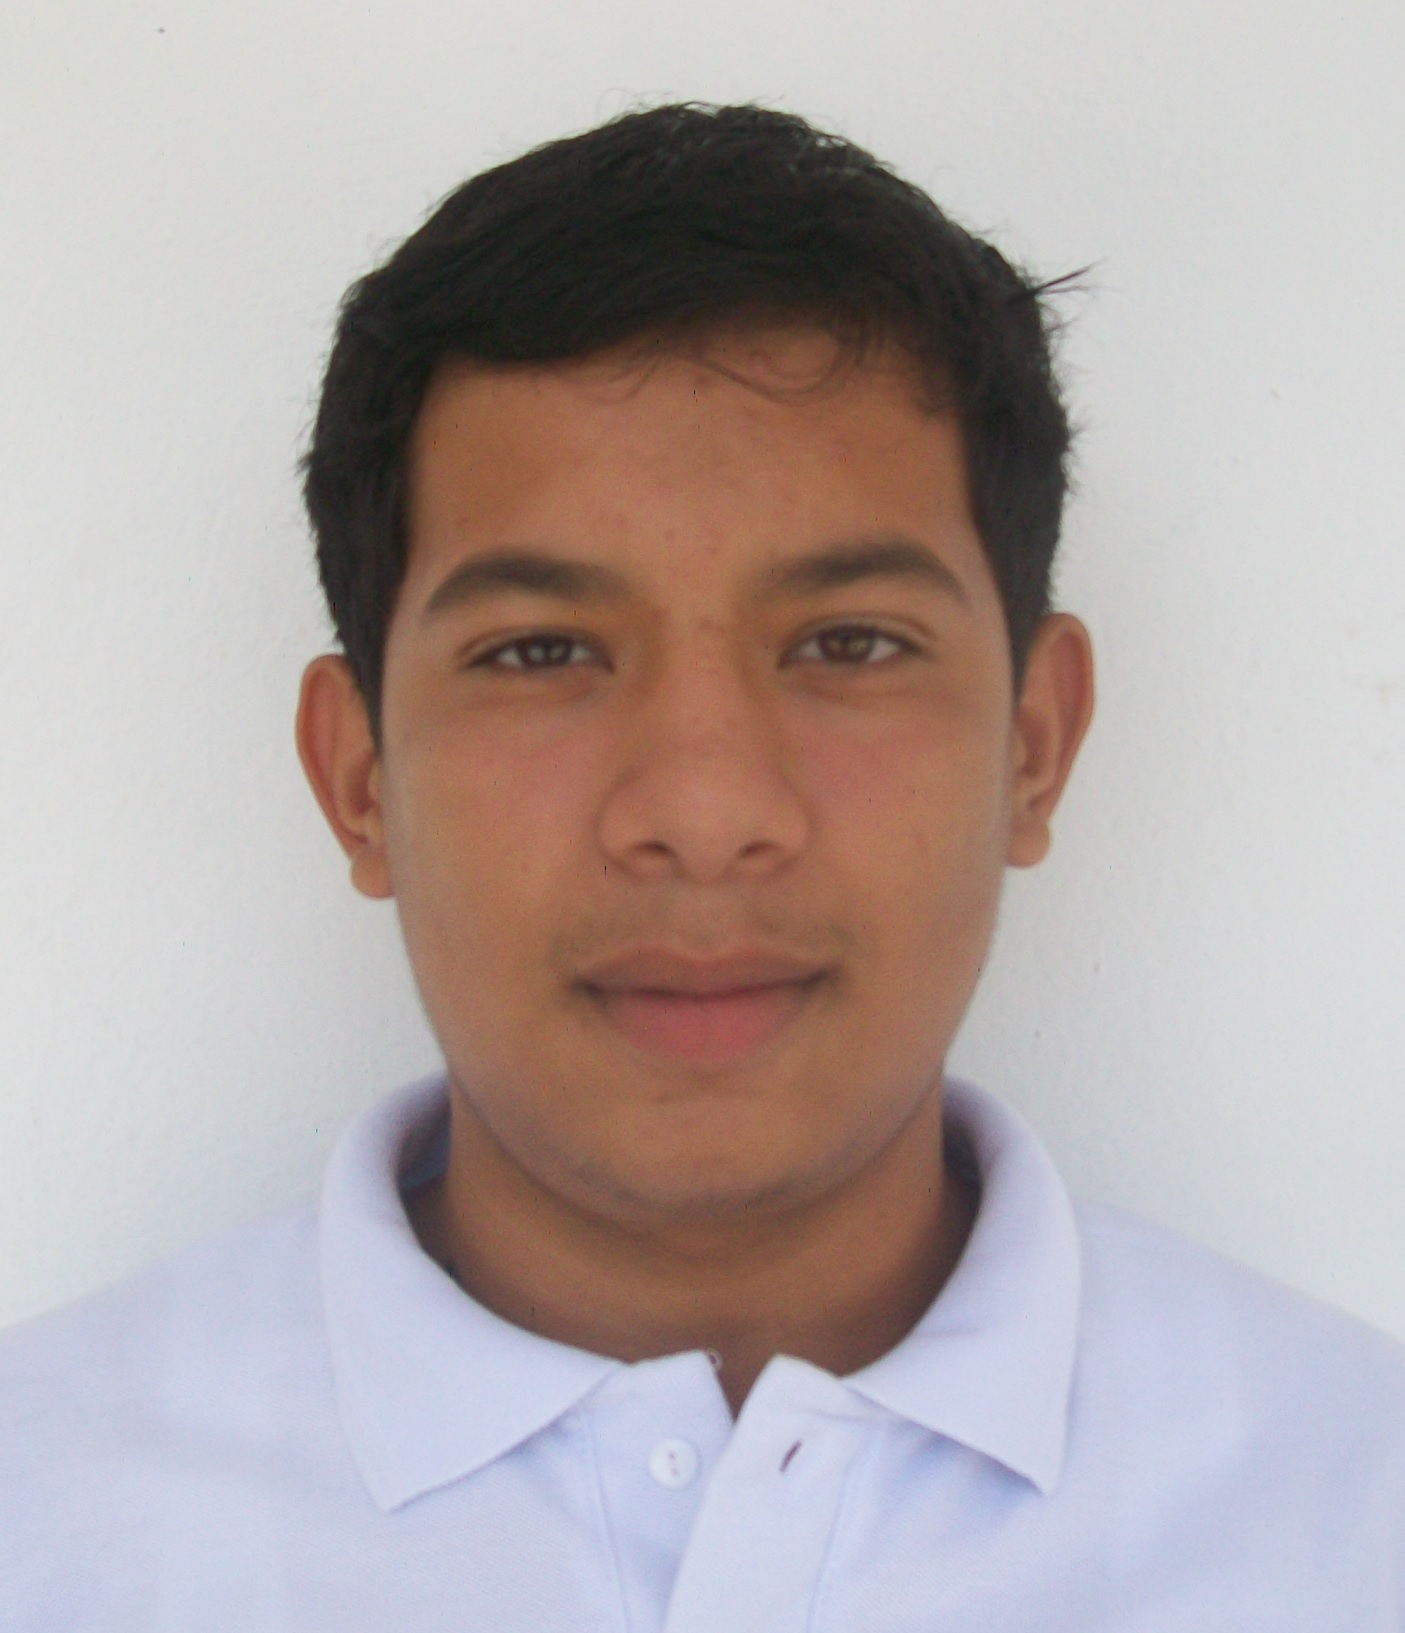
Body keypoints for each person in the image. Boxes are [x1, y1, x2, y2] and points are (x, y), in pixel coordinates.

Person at [1, 102, 1402, 1632]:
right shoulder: (44, 1514)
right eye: (539, 651)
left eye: (848, 643)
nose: (704, 808)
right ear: (359, 782)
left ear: (1032, 743)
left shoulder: (1352, 1506)